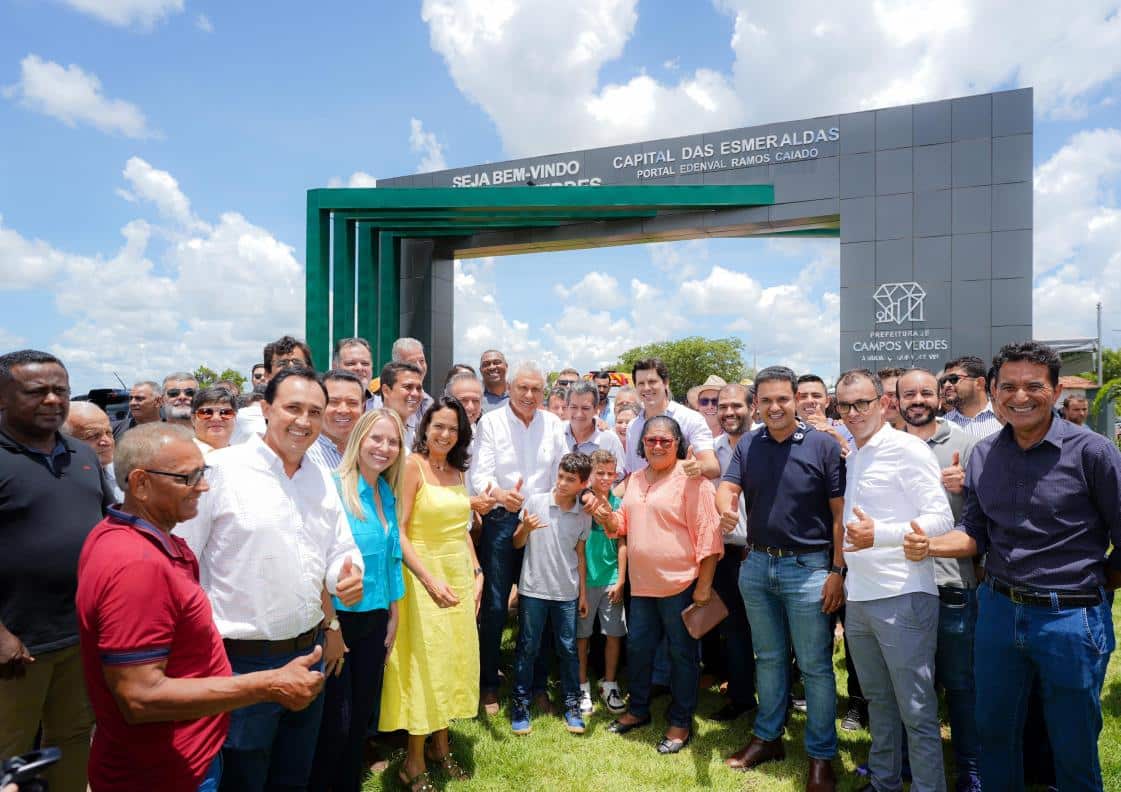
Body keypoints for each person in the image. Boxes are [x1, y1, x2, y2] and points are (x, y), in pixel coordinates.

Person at [904, 341, 1121, 792]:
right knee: (995, 734)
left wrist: (1096, 587)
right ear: (993, 390)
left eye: (1034, 386)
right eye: (1009, 387)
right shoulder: (984, 456)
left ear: (1057, 390)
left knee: (1073, 742)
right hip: (998, 614)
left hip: (1070, 618)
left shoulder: (1093, 452)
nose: (1020, 396)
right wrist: (927, 546)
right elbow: (975, 534)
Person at [76, 424, 325, 792]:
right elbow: (140, 697)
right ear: (140, 483)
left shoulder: (143, 539)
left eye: (202, 473)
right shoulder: (137, 565)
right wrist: (268, 683)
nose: (204, 487)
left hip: (187, 760)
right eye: (188, 477)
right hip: (164, 774)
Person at [174, 366, 364, 791]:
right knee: (242, 778)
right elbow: (181, 560)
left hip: (308, 653)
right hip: (238, 662)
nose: (304, 421)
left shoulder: (319, 477)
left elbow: (339, 547)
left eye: (315, 411)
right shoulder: (219, 470)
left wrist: (346, 575)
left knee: (293, 776)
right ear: (264, 409)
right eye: (292, 408)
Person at [716, 368, 844, 791]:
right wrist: (726, 505)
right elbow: (727, 486)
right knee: (768, 659)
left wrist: (837, 571)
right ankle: (768, 738)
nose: (774, 408)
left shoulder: (824, 446)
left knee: (815, 667)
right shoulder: (749, 443)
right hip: (757, 566)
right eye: (766, 401)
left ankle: (822, 756)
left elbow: (840, 515)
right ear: (757, 404)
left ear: (796, 400)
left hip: (808, 569)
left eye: (782, 400)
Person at [835, 368, 953, 792]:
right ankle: (883, 782)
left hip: (903, 595)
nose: (853, 412)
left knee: (917, 710)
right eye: (844, 405)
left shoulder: (907, 449)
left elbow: (942, 517)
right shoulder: (857, 452)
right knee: (878, 702)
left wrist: (879, 534)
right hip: (862, 597)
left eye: (862, 403)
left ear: (883, 404)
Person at [0, 350, 112, 792]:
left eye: (60, 390)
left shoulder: (81, 454)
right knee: (11, 755)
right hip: (15, 647)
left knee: (70, 742)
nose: (52, 399)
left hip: (78, 636)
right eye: (37, 391)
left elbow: (107, 528)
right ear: (3, 397)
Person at [380, 397, 482, 791]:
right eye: (438, 425)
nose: (444, 434)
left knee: (451, 662)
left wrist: (476, 571)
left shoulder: (457, 471)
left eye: (453, 429)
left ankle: (441, 746)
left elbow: (461, 530)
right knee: (425, 665)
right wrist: (427, 579)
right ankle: (413, 761)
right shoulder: (411, 465)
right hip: (422, 577)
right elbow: (399, 531)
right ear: (425, 427)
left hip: (457, 573)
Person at [606, 415, 722, 755]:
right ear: (641, 444)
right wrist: (605, 516)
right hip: (641, 587)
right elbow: (622, 526)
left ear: (678, 444)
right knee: (638, 650)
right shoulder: (635, 479)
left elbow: (708, 535)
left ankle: (681, 721)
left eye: (665, 441)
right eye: (650, 440)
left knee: (682, 655)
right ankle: (638, 709)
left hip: (681, 585)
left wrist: (704, 586)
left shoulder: (692, 480)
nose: (657, 446)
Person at [309, 409, 407, 792]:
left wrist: (394, 614)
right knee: (336, 723)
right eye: (377, 439)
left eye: (393, 441)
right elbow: (316, 564)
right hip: (338, 622)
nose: (384, 448)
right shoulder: (333, 488)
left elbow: (391, 558)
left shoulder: (385, 491)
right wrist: (330, 627)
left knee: (361, 720)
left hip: (376, 620)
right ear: (359, 440)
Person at [897, 368, 981, 792]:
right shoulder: (885, 446)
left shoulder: (969, 444)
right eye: (908, 393)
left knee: (961, 684)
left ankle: (971, 769)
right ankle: (911, 763)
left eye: (925, 393)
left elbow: (988, 516)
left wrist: (969, 487)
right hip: (900, 585)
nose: (917, 400)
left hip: (951, 583)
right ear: (894, 400)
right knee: (912, 685)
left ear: (940, 397)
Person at [469, 361, 567, 714]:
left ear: (544, 392)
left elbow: (562, 471)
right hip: (500, 520)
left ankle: (537, 686)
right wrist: (499, 494)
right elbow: (479, 475)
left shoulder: (554, 424)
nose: (529, 395)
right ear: (510, 387)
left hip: (541, 521)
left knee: (537, 604)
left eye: (536, 390)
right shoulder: (491, 422)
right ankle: (489, 685)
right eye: (523, 388)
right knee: (495, 606)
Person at [509, 452, 593, 736]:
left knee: (568, 650)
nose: (563, 483)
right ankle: (519, 705)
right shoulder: (535, 502)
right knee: (527, 647)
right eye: (560, 476)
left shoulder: (583, 516)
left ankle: (571, 706)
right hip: (533, 590)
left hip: (566, 593)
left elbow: (580, 556)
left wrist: (582, 594)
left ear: (583, 484)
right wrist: (526, 528)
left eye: (571, 479)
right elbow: (517, 543)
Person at [707, 383, 758, 725]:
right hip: (727, 552)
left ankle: (775, 701)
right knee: (735, 629)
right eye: (722, 406)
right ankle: (742, 697)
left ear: (752, 406)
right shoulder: (713, 451)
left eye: (736, 405)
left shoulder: (768, 444)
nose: (728, 412)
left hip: (763, 551)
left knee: (769, 634)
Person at [576, 449, 627, 716]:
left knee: (614, 634)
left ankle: (610, 684)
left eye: (611, 473)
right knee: (583, 636)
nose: (606, 478)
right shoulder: (582, 502)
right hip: (586, 579)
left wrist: (620, 579)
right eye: (600, 473)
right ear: (591, 475)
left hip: (610, 578)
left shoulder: (618, 504)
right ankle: (581, 685)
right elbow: (579, 547)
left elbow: (622, 543)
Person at [624, 358, 719, 478]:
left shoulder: (691, 419)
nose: (647, 388)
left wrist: (699, 466)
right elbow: (631, 475)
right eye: (641, 383)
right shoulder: (633, 427)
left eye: (652, 382)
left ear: (666, 383)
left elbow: (713, 467)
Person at [231, 335, 314, 444]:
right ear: (267, 373)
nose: (290, 367)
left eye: (296, 362)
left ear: (309, 369)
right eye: (282, 363)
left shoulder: (327, 415)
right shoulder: (244, 419)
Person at [305, 370, 366, 472]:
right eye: (333, 402)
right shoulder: (303, 455)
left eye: (352, 403)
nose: (343, 410)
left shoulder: (372, 453)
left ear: (363, 408)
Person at [64, 400, 123, 500]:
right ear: (66, 440)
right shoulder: (62, 485)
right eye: (93, 436)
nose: (106, 441)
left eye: (109, 432)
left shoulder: (127, 475)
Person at [940, 356, 1002, 439]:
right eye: (943, 381)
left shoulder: (1006, 417)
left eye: (953, 379)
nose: (946, 385)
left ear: (979, 383)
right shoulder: (943, 425)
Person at [565, 381, 625, 459]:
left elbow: (619, 471)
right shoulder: (556, 434)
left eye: (585, 408)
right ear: (567, 407)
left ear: (596, 409)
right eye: (574, 407)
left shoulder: (610, 441)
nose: (579, 414)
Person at [379, 361, 425, 449]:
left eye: (419, 388)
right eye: (408, 387)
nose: (415, 393)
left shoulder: (418, 435)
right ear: (386, 391)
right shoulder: (370, 431)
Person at [190, 387, 238, 456]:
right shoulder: (179, 455)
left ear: (235, 418)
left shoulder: (245, 457)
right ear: (193, 419)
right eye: (206, 412)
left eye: (226, 412)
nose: (216, 418)